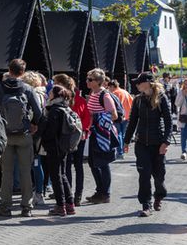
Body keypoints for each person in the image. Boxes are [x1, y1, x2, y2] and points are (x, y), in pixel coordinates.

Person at [0, 59, 42, 218]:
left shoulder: (0, 88)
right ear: (23, 72)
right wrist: (33, 124)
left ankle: (5, 206)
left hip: (5, 135)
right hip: (24, 135)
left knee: (7, 172)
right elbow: (38, 112)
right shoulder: (27, 88)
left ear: (9, 70)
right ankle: (27, 207)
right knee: (26, 171)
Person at [123, 72, 172, 217]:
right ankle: (146, 204)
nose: (137, 85)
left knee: (158, 175)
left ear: (148, 83)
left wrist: (165, 142)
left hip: (157, 142)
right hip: (141, 143)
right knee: (144, 174)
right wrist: (126, 141)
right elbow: (132, 122)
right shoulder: (138, 99)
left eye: (139, 82)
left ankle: (159, 196)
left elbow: (169, 122)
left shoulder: (161, 98)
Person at [35, 85, 76, 216]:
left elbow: (50, 131)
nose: (49, 94)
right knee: (62, 174)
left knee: (55, 176)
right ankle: (70, 204)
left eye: (51, 92)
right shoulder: (66, 108)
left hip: (54, 147)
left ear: (56, 95)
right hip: (64, 147)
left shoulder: (54, 110)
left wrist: (44, 139)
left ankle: (60, 205)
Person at [54, 74, 91, 206]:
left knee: (66, 167)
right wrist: (85, 130)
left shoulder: (63, 100)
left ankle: (67, 195)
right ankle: (77, 197)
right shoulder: (81, 100)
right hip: (80, 136)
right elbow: (87, 117)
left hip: (66, 137)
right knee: (78, 165)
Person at [85, 69, 118, 204]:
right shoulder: (93, 93)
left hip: (103, 135)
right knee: (93, 164)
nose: (87, 81)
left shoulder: (104, 96)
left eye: (90, 79)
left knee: (103, 164)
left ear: (98, 82)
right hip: (94, 133)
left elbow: (114, 115)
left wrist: (95, 115)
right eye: (87, 79)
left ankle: (105, 193)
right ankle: (100, 191)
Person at [22, 71, 47, 206]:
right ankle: (39, 191)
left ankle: (38, 193)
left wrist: (33, 125)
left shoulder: (34, 94)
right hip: (40, 134)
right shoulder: (43, 94)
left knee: (35, 164)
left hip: (34, 134)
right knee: (37, 163)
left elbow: (35, 113)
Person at [108, 79, 133, 160]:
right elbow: (132, 102)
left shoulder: (115, 93)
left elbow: (116, 106)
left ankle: (120, 153)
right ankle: (122, 150)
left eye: (109, 87)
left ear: (112, 86)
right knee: (123, 134)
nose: (109, 89)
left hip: (119, 117)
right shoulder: (125, 92)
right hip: (127, 116)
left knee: (118, 134)